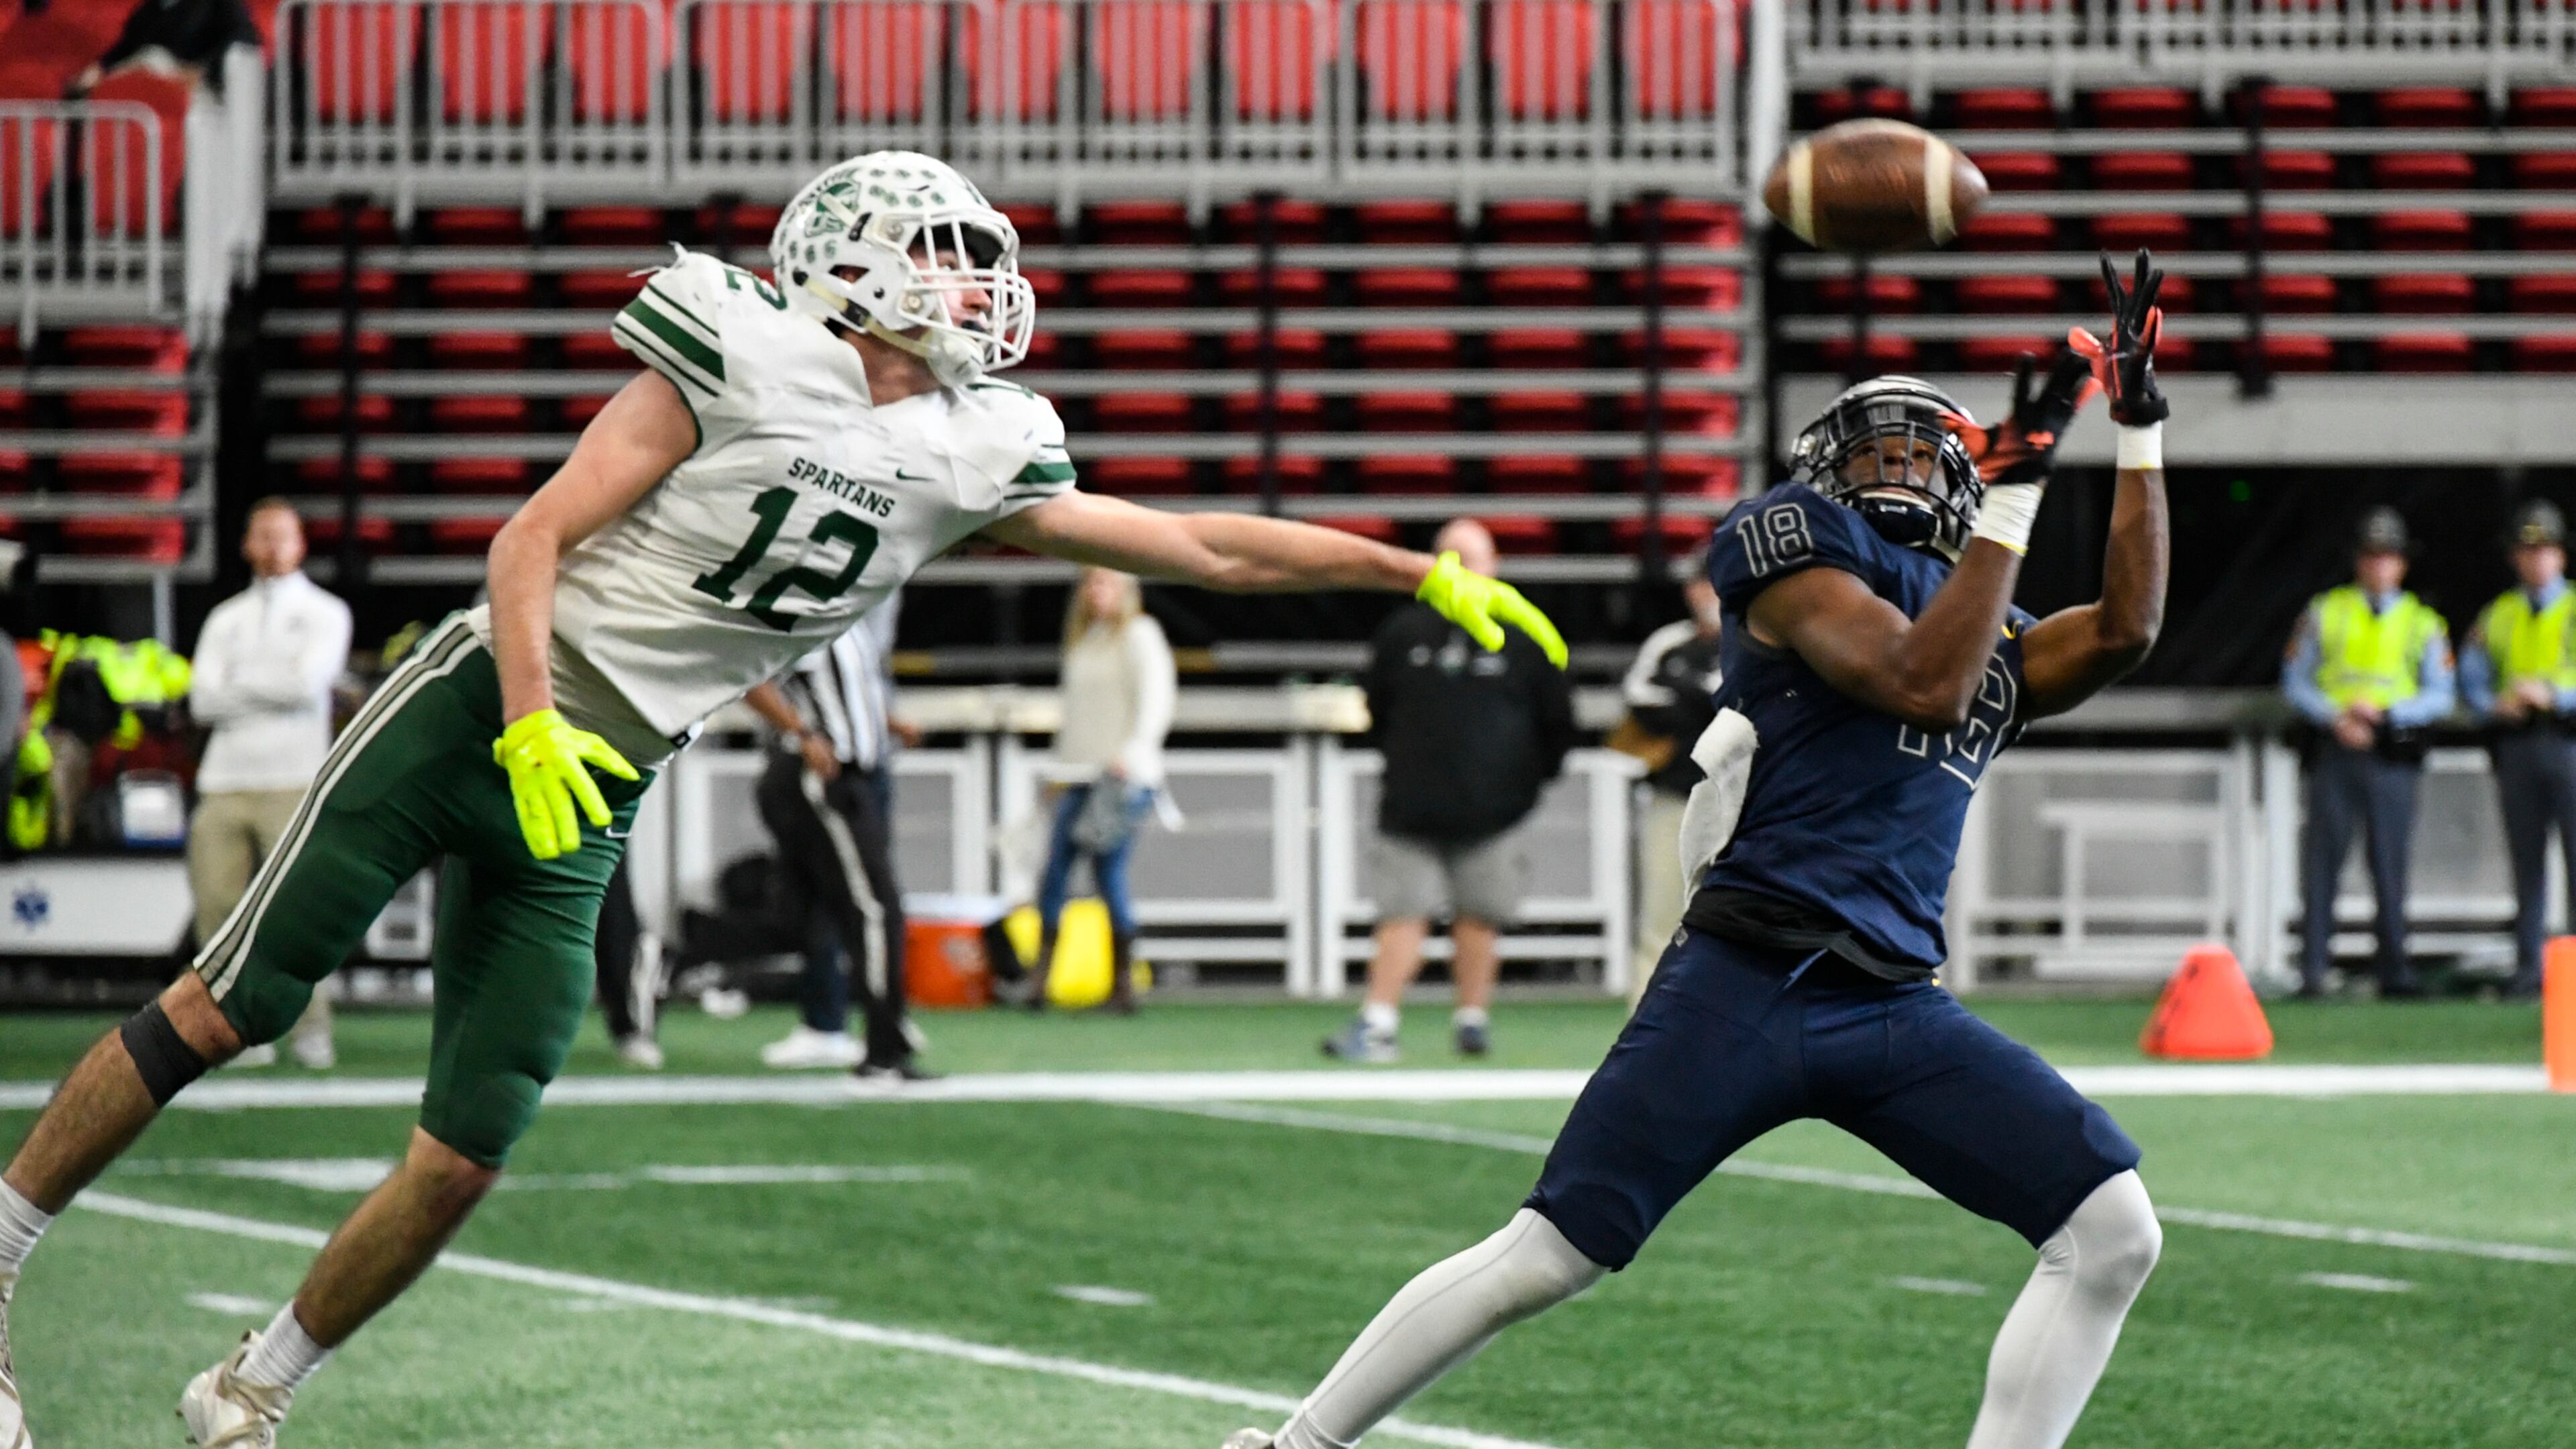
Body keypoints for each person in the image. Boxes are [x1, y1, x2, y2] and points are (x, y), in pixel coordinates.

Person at [0, 150, 1562, 1448]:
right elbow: (528, 541)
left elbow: (1199, 544)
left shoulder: (970, 444)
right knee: (231, 1005)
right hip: (479, 709)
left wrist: (1405, 566)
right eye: (945, 257)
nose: (976, 286)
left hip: (601, 784)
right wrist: (531, 724)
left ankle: (254, 1386)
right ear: (855, 262)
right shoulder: (741, 350)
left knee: (469, 1145)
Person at [1225, 252, 2174, 1449]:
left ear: (1962, 476)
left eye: (1918, 450)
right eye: (1871, 448)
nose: (1893, 468)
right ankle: (1293, 1446)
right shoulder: (1785, 541)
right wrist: (2017, 503)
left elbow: (2129, 629)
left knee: (2113, 1231)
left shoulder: (1978, 597)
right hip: (1747, 980)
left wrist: (2136, 435)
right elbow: (1920, 683)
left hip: (1894, 1001)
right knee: (1548, 1257)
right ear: (1825, 470)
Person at [1322, 519, 1577, 1062]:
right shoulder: (1404, 632)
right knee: (1401, 913)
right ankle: (1379, 1021)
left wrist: (1521, 786)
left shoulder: (1524, 634)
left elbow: (1557, 722)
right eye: (1452, 557)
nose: (1463, 568)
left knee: (1480, 915)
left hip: (1494, 809)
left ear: (1494, 564)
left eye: (1473, 556)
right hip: (1412, 806)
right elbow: (1377, 710)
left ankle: (1472, 1018)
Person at [184, 498, 352, 1071]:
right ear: (247, 544)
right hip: (224, 780)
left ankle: (311, 1030)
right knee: (218, 911)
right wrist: (269, 683)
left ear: (301, 542)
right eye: (264, 535)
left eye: (285, 535)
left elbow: (308, 686)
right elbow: (202, 700)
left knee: (296, 912)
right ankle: (232, 1033)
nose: (275, 546)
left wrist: (241, 685)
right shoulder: (225, 617)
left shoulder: (326, 612)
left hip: (295, 780)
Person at [742, 598, 926, 1070]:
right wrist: (801, 732)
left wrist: (887, 724)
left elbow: (851, 690)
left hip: (851, 774)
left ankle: (868, 1027)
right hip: (824, 778)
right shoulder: (802, 611)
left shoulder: (851, 618)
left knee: (836, 909)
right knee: (874, 908)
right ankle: (885, 1047)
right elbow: (747, 676)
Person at [2282, 506, 2455, 999]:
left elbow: (2440, 694)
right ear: (2359, 561)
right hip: (2336, 749)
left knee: (2390, 864)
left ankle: (2394, 971)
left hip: (2391, 752)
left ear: (2402, 564)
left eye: (2389, 557)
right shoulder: (2326, 612)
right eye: (2372, 556)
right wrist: (2336, 714)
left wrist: (2388, 713)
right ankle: (2314, 970)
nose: (2380, 566)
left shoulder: (2422, 622)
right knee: (2321, 864)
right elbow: (2297, 681)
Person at [1019, 568, 1175, 1014]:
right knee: (1053, 875)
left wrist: (1135, 752)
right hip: (1078, 773)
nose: (1097, 591)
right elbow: (1075, 716)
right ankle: (1039, 982)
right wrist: (1057, 771)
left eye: (1106, 583)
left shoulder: (1140, 634)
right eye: (1091, 583)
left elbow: (1156, 699)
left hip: (1120, 776)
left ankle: (1122, 985)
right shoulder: (1086, 639)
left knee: (1110, 874)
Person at [2461, 499, 2576, 1001]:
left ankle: (2572, 970)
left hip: (2569, 738)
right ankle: (2531, 968)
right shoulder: (2500, 614)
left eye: (2544, 550)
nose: (2536, 560)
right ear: (2516, 558)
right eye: (2527, 550)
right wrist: (2494, 704)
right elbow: (2471, 675)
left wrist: (2555, 695)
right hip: (2519, 745)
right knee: (2526, 862)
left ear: (2561, 557)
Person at [1613, 550, 1724, 992]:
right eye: (1701, 584)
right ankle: (1647, 1023)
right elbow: (1641, 701)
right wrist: (1699, 701)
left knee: (1751, 921)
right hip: (1677, 797)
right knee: (1662, 919)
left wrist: (1688, 698)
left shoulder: (1760, 640)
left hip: (1749, 806)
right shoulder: (1669, 644)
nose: (1708, 594)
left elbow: (1743, 711)